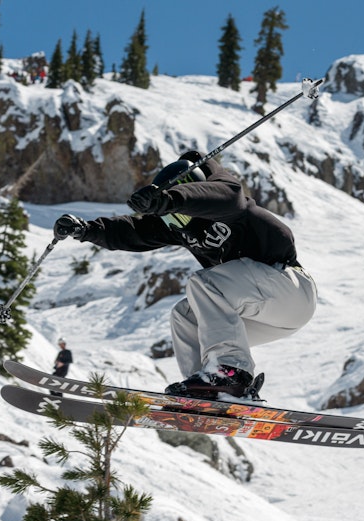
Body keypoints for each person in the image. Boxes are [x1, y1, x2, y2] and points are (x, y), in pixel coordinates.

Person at [52, 151, 317, 400]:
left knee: (206, 283)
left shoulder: (229, 205)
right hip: (266, 313)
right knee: (186, 316)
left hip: (290, 290)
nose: (173, 224)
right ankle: (207, 389)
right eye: (169, 220)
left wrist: (170, 200)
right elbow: (136, 230)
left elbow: (225, 194)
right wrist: (86, 230)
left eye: (175, 216)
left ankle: (229, 376)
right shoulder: (182, 229)